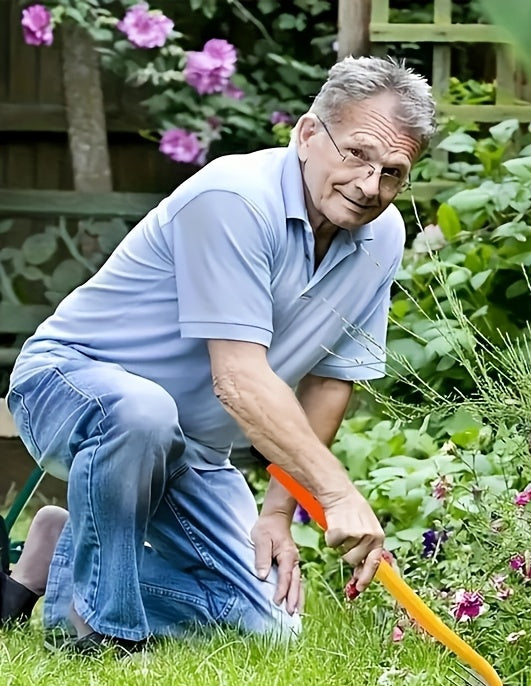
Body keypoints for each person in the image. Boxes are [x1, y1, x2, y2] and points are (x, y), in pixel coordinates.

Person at [2, 56, 437, 652]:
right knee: (142, 411)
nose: (369, 186)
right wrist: (337, 495)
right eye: (357, 154)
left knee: (270, 627)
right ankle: (104, 633)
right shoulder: (235, 197)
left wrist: (278, 512)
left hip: (194, 447)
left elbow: (330, 381)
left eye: (393, 173)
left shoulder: (381, 236)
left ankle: (59, 556)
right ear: (309, 134)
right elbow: (238, 379)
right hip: (69, 385)